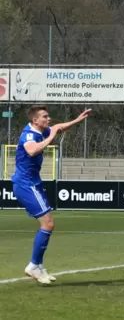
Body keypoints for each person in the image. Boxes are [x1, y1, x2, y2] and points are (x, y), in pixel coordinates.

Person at [13, 105, 91, 284]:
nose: (49, 119)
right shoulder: (29, 135)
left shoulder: (41, 130)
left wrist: (78, 120)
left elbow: (58, 127)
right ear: (35, 120)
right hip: (26, 185)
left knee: (48, 224)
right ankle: (34, 266)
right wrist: (51, 136)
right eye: (45, 117)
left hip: (33, 184)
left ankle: (37, 266)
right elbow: (32, 150)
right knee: (48, 224)